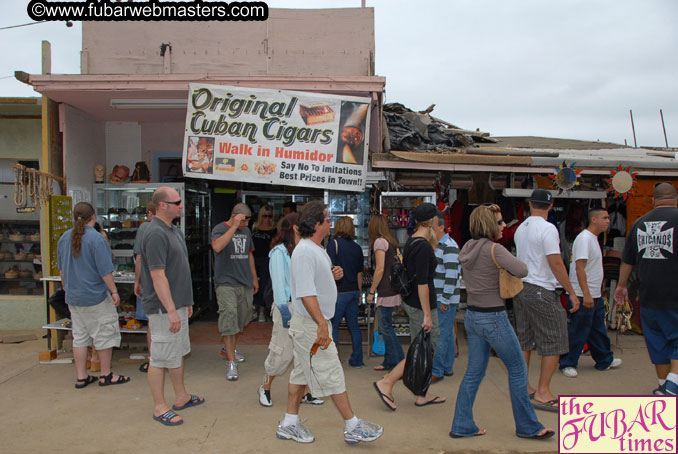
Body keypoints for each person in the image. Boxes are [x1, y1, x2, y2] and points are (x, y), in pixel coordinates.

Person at [276, 200, 383, 444]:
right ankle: (353, 425)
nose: (330, 223)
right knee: (332, 373)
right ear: (316, 225)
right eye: (326, 219)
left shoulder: (315, 248)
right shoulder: (305, 251)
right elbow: (305, 293)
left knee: (301, 375)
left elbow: (313, 283)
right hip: (312, 325)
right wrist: (322, 325)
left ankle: (289, 423)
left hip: (311, 324)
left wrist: (330, 274)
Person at [450, 204, 554, 440]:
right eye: (499, 222)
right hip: (494, 317)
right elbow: (523, 269)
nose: (504, 225)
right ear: (489, 225)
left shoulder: (467, 247)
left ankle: (462, 424)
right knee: (518, 369)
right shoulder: (495, 250)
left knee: (473, 373)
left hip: (472, 317)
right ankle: (528, 427)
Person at [139, 187, 204, 426]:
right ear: (162, 205)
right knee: (160, 357)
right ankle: (159, 407)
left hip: (177, 305)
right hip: (162, 308)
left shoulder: (172, 230)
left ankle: (181, 396)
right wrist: (169, 310)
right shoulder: (155, 233)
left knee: (176, 352)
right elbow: (157, 276)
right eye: (176, 202)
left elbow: (178, 270)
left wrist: (185, 302)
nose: (181, 205)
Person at [513, 189, 581, 412]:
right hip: (541, 287)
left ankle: (523, 385)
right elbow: (555, 262)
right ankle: (543, 391)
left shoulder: (521, 228)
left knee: (525, 339)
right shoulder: (548, 228)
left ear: (530, 204)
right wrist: (570, 290)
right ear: (550, 206)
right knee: (554, 338)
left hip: (521, 287)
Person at [373, 203, 445, 409]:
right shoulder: (422, 246)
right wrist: (427, 315)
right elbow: (422, 282)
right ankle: (387, 382)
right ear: (431, 221)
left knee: (422, 348)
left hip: (413, 302)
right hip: (422, 305)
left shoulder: (413, 241)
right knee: (421, 350)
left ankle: (422, 393)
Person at [57, 202, 130, 389]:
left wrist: (66, 287)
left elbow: (62, 270)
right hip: (95, 296)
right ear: (93, 217)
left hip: (74, 297)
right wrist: (114, 291)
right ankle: (106, 375)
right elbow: (105, 271)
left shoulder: (64, 238)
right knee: (104, 334)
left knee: (79, 337)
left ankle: (82, 377)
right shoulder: (96, 239)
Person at [615, 182, 678, 396]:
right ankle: (672, 386)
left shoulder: (639, 223)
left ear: (653, 200)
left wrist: (622, 286)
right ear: (675, 198)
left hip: (648, 296)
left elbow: (627, 260)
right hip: (675, 295)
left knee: (659, 344)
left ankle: (663, 386)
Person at [258, 213, 323, 407]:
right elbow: (278, 285)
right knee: (281, 352)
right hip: (286, 306)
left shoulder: (306, 249)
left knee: (305, 352)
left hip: (305, 307)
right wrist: (285, 313)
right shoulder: (279, 252)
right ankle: (265, 387)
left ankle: (305, 392)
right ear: (295, 228)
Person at [560, 208, 622, 377]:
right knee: (578, 330)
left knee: (597, 330)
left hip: (594, 294)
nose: (608, 221)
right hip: (583, 294)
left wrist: (594, 293)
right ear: (593, 220)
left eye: (609, 217)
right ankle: (567, 363)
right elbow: (579, 268)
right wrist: (586, 294)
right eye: (605, 218)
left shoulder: (593, 239)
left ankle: (604, 359)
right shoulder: (584, 239)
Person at [211, 203, 259, 381]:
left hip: (244, 281)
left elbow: (249, 254)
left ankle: (228, 346)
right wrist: (233, 227)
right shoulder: (219, 229)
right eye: (245, 221)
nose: (247, 225)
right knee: (229, 315)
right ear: (237, 217)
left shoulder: (246, 232)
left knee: (242, 319)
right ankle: (231, 362)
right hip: (225, 283)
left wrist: (254, 278)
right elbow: (217, 247)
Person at [365, 214, 405, 371]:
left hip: (386, 290)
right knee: (386, 326)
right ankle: (389, 361)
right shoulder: (392, 242)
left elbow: (380, 269)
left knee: (386, 327)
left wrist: (371, 291)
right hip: (393, 288)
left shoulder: (379, 242)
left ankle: (399, 361)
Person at [327, 216, 364, 368]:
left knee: (334, 325)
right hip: (354, 290)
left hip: (339, 291)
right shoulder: (357, 247)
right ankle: (357, 359)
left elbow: (328, 269)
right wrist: (360, 294)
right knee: (354, 326)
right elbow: (359, 273)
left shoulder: (333, 244)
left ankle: (333, 360)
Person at [431, 212, 461, 382]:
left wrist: (445, 299)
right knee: (447, 333)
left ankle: (437, 370)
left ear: (441, 227)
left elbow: (452, 275)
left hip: (444, 298)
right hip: (442, 296)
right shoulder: (439, 246)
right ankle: (447, 367)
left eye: (432, 226)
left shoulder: (449, 246)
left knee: (441, 334)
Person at [133, 201, 156, 373]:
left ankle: (153, 360)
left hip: (150, 283)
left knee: (152, 323)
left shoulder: (144, 229)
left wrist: (137, 280)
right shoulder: (171, 228)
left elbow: (139, 258)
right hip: (167, 284)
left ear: (149, 213)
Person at [252, 205, 277, 323]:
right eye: (264, 216)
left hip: (267, 260)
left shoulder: (274, 229)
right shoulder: (254, 228)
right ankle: (253, 308)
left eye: (269, 216)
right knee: (252, 283)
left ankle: (261, 310)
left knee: (264, 285)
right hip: (254, 259)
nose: (267, 219)